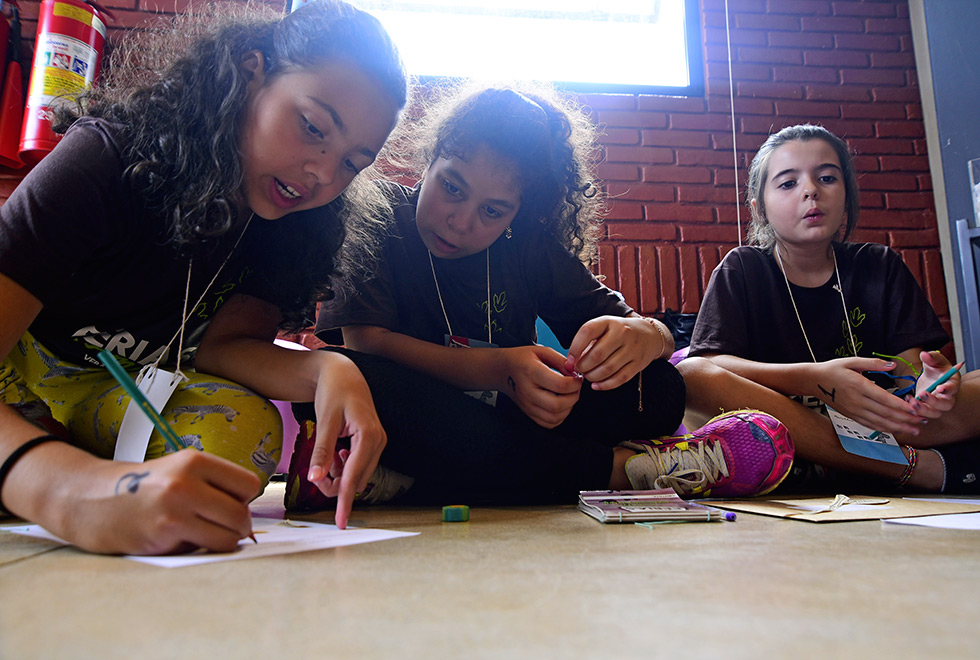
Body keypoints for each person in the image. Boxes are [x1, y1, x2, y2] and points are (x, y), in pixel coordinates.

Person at [0, 0, 408, 554]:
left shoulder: (287, 224)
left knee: (241, 435)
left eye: (352, 163)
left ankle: (54, 451)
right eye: (312, 126)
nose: (322, 174)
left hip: (108, 388)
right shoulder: (106, 159)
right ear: (250, 71)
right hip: (15, 365)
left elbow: (226, 349)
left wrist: (326, 369)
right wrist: (64, 491)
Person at [287, 84, 794, 511]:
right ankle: (633, 472)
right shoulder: (375, 214)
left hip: (508, 418)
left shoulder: (525, 245)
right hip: (419, 405)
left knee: (660, 389)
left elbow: (643, 332)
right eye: (452, 187)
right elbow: (367, 344)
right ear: (431, 156)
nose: (460, 222)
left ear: (519, 214)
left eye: (493, 211)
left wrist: (645, 334)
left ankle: (410, 479)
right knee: (345, 373)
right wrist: (499, 368)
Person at [682, 123, 980, 493]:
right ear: (759, 208)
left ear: (847, 197)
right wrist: (814, 379)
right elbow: (711, 367)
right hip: (790, 418)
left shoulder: (879, 263)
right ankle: (913, 469)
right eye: (788, 183)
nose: (811, 191)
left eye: (826, 178)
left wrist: (931, 388)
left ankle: (834, 462)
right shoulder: (742, 268)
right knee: (693, 375)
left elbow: (911, 373)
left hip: (881, 420)